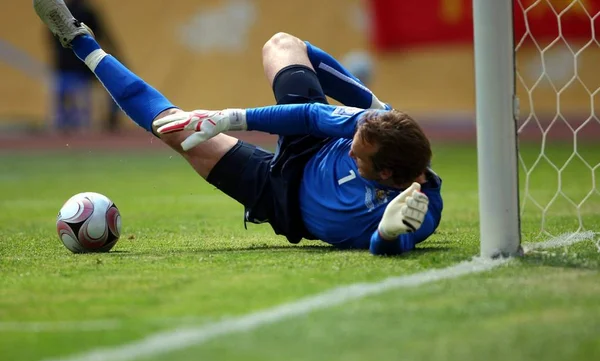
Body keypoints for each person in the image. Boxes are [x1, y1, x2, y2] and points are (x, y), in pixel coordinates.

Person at [33, 0, 443, 256]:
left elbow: (397, 241)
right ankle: (74, 34)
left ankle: (77, 40)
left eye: (359, 150)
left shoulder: (418, 208)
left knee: (171, 128)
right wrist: (227, 118)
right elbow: (312, 117)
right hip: (309, 147)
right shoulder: (367, 127)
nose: (352, 146)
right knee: (282, 44)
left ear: (387, 174)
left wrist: (388, 237)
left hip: (280, 198)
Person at [47, 0, 121, 133]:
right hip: (82, 62)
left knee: (65, 100)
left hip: (64, 63)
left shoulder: (59, 14)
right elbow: (101, 34)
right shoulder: (87, 11)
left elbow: (50, 38)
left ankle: (64, 127)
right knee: (81, 100)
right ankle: (82, 129)